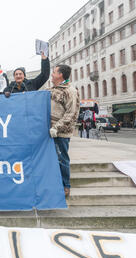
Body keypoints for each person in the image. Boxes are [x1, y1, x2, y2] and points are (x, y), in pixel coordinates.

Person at [49, 64, 80, 198]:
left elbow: (72, 113)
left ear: (60, 75)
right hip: (50, 131)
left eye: (54, 72)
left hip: (60, 132)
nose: (52, 74)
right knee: (53, 159)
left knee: (62, 158)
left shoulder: (70, 91)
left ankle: (65, 186)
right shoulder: (53, 89)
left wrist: (57, 127)